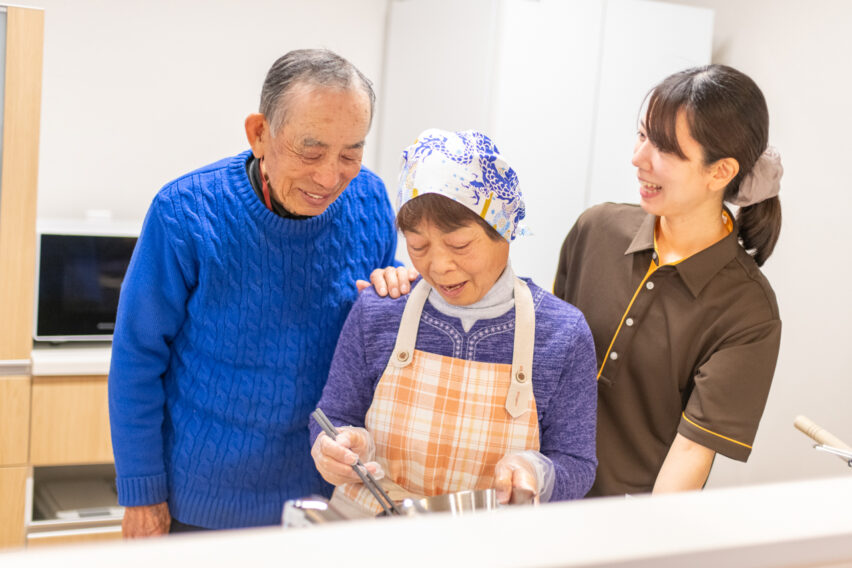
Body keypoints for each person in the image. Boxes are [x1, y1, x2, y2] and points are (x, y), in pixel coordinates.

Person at [108, 49, 400, 536]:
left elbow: (368, 327)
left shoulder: (369, 199)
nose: (330, 177)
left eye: (350, 152)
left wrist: (397, 284)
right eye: (311, 151)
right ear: (259, 134)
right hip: (203, 503)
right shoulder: (185, 212)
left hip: (327, 502)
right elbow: (137, 358)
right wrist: (142, 492)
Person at [310, 129, 597, 516]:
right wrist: (339, 447)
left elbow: (577, 462)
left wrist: (535, 472)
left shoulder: (561, 333)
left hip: (486, 545)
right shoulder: (379, 311)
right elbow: (333, 417)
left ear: (504, 230)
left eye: (459, 245)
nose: (439, 266)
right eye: (418, 246)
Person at [554, 64, 783, 496]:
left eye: (664, 148)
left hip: (631, 533)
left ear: (720, 172)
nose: (638, 159)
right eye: (642, 136)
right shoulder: (596, 230)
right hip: (538, 501)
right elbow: (539, 366)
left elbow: (691, 454)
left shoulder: (748, 311)